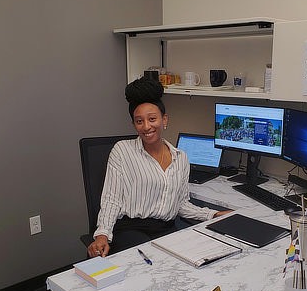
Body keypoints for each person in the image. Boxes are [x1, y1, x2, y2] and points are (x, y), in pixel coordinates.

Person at [87, 77, 231, 258]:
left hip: (166, 229)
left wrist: (213, 215)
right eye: (139, 121)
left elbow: (181, 204)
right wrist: (102, 235)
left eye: (152, 119)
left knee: (199, 257)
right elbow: (112, 200)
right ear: (134, 125)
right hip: (131, 229)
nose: (146, 126)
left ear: (164, 120)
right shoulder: (122, 150)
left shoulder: (181, 158)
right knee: (152, 262)